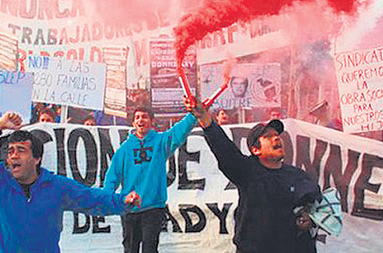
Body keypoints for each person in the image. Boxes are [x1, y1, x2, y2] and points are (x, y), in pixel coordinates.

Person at [0, 111, 141, 253]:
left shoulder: (57, 187)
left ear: (37, 158)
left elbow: (92, 198)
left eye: (21, 150)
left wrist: (122, 201)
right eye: (10, 151)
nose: (13, 155)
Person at [184, 97, 322, 253]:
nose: (276, 138)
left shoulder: (298, 176)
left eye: (277, 134)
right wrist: (205, 118)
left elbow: (317, 204)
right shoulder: (247, 171)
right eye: (268, 136)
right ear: (256, 150)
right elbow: (224, 148)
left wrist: (311, 218)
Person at [104, 106, 196, 253]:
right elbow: (112, 177)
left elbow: (178, 133)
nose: (141, 120)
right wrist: (106, 199)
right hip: (129, 209)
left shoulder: (161, 142)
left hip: (153, 208)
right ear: (133, 123)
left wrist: (193, 116)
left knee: (150, 249)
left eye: (144, 117)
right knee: (130, 249)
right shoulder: (124, 149)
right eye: (137, 117)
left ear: (152, 121)